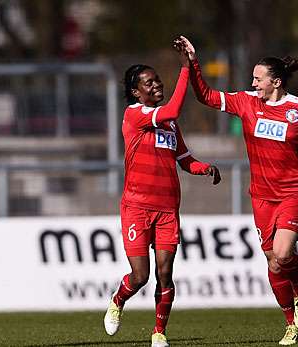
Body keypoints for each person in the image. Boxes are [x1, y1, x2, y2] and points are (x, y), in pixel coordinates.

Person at [177, 35, 298, 345]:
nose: (253, 84)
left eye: (258, 79)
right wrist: (193, 63)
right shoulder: (246, 102)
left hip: (292, 192)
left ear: (275, 82)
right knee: (273, 261)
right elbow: (206, 96)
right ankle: (292, 323)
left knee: (282, 253)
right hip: (261, 196)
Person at [103, 39, 221, 347]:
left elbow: (185, 161)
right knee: (140, 276)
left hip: (168, 209)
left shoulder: (170, 127)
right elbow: (173, 108)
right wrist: (186, 68)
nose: (157, 85)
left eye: (157, 80)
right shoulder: (134, 115)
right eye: (149, 82)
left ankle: (159, 333)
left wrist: (204, 167)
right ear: (135, 91)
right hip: (137, 208)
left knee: (165, 274)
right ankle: (118, 299)